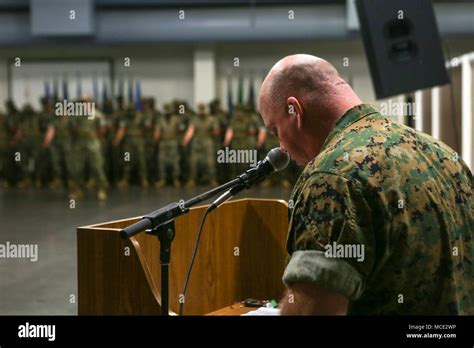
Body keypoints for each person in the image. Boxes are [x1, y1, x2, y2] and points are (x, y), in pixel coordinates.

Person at [258, 54, 473, 315]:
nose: (281, 147)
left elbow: (313, 311)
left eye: (275, 130)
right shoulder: (444, 156)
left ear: (295, 111)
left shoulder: (332, 176)